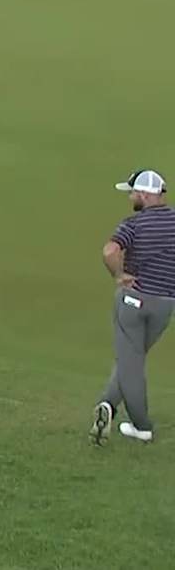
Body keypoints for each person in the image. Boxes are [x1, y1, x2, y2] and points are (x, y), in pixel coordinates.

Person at [91, 169, 175, 444]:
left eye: (132, 192)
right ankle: (108, 405)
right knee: (132, 359)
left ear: (143, 194)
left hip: (133, 300)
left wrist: (119, 276)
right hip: (164, 305)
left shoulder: (133, 224)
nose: (130, 197)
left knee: (131, 362)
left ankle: (141, 426)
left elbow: (109, 251)